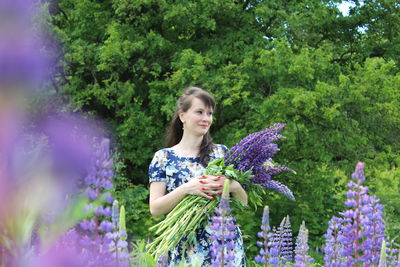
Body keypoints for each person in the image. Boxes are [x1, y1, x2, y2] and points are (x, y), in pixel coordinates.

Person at [148, 86, 247, 266]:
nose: (206, 119)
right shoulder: (163, 158)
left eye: (209, 113)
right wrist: (187, 189)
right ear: (182, 115)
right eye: (199, 112)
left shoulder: (222, 154)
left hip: (224, 247)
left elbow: (244, 202)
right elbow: (155, 209)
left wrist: (233, 186)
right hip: (184, 248)